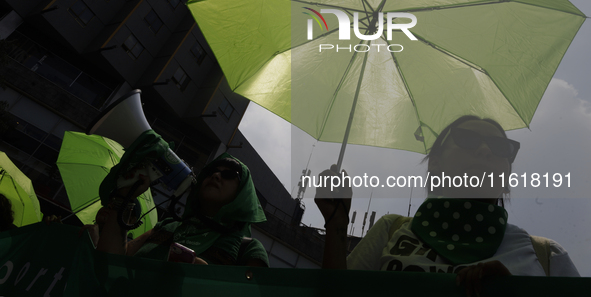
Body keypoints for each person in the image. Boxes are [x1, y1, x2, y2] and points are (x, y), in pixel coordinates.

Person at [315, 115, 580, 295]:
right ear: (435, 164)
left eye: (501, 147)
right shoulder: (390, 229)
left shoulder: (548, 256)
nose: (485, 151)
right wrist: (336, 226)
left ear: (508, 178)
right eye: (468, 140)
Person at [94, 153, 269, 267]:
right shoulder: (167, 226)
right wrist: (125, 198)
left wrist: (211, 283)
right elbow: (111, 263)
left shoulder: (248, 249)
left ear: (243, 194)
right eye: (211, 172)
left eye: (229, 175)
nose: (216, 175)